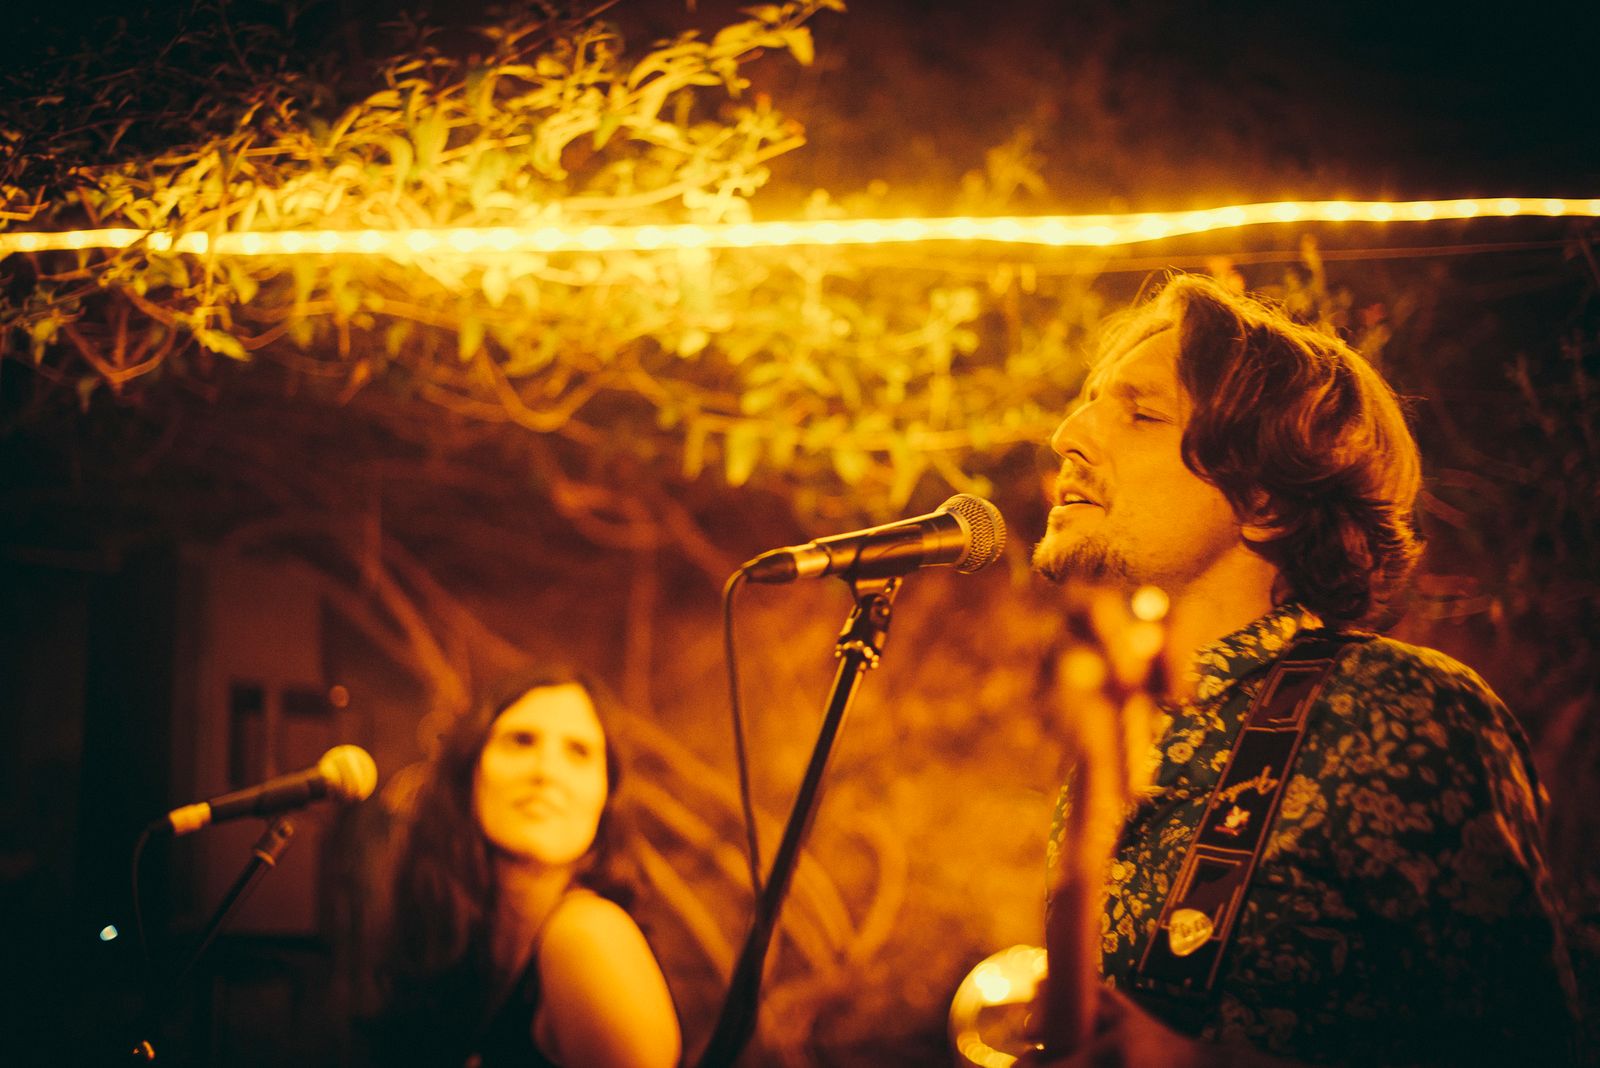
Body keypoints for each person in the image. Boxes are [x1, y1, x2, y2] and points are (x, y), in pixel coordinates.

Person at [1026, 274, 1580, 1066]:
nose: (1066, 435)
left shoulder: (1397, 713)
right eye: (1085, 403)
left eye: (1141, 413)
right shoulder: (1120, 730)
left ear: (1266, 501)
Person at [379, 669, 681, 1068]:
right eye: (521, 741)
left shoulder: (586, 935)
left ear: (605, 794)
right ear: (468, 771)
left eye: (579, 752)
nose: (546, 772)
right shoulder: (458, 949)